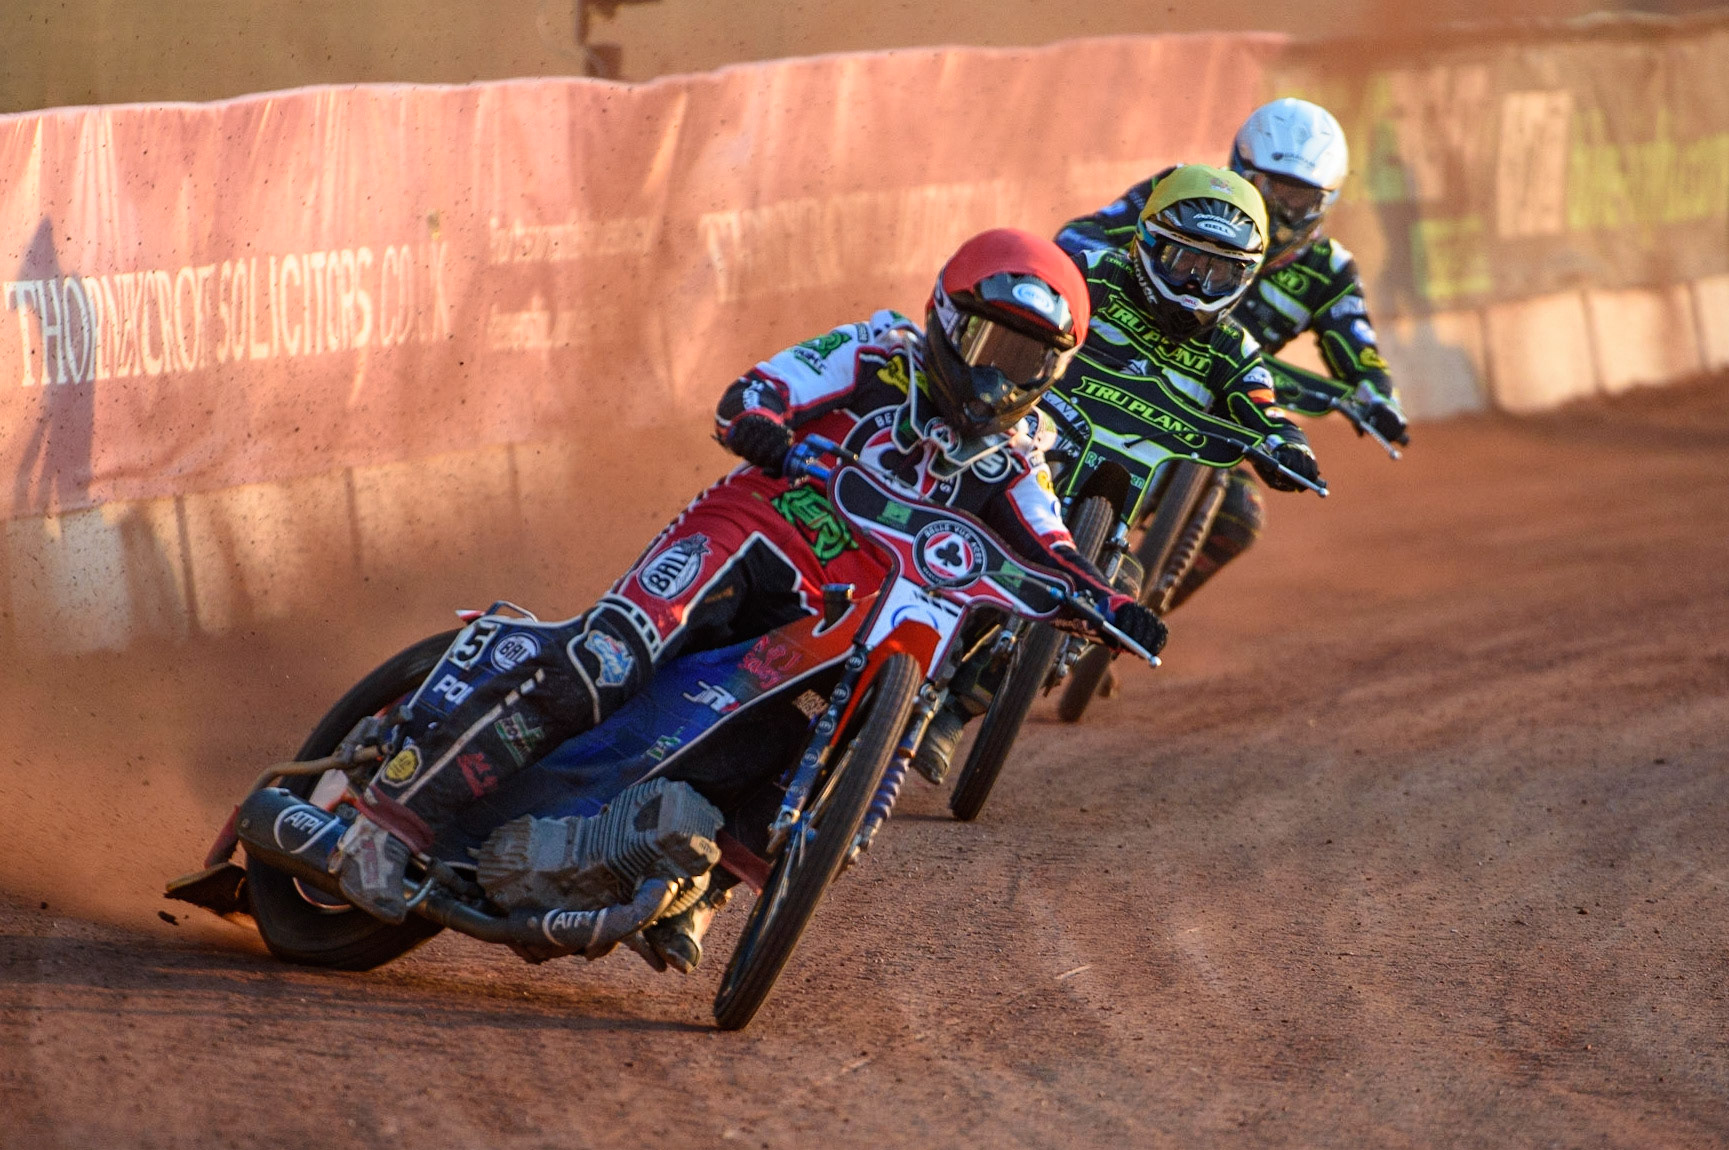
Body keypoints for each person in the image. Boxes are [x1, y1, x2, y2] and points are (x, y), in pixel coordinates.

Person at [328, 228, 1168, 951]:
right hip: (755, 532)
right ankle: (388, 818)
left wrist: (1113, 605)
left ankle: (690, 889)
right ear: (947, 321)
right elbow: (758, 392)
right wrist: (764, 426)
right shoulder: (876, 353)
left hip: (838, 615)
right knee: (611, 656)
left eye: (1024, 361)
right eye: (989, 347)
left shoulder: (1019, 458)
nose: (996, 379)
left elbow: (1053, 547)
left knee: (793, 748)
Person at [912, 163, 1319, 780]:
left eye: (1218, 273)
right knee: (958, 503)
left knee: (1118, 585)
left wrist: (1289, 446)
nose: (1197, 284)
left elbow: (1266, 406)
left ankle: (955, 714)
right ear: (1147, 241)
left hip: (1123, 500)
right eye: (1184, 261)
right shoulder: (1090, 275)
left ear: (1245, 278)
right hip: (1026, 449)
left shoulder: (1235, 348)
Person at [1055, 97, 1405, 612]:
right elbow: (1079, 234)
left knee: (1241, 515)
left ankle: (1136, 618)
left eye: (1299, 197)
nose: (1281, 210)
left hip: (1231, 389)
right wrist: (1102, 272)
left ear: (1325, 202)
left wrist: (1379, 396)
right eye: (1271, 189)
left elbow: (1361, 349)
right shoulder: (1186, 190)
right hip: (1119, 357)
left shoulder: (1330, 269)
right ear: (1240, 169)